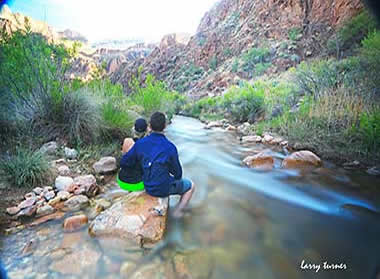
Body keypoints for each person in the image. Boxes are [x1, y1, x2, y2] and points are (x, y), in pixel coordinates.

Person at [120, 112, 195, 218]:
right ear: (165, 126)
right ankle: (178, 211)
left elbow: (124, 162)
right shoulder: (170, 147)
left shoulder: (140, 144)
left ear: (149, 126)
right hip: (164, 188)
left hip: (147, 186)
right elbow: (178, 174)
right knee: (191, 186)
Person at [117, 118, 148, 191]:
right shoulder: (147, 145)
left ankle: (129, 192)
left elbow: (125, 159)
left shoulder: (127, 141)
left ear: (134, 129)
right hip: (138, 184)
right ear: (146, 130)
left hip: (122, 181)